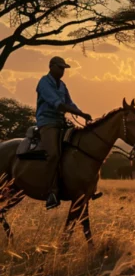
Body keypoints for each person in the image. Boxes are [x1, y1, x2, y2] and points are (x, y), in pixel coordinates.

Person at [36, 56, 92, 210]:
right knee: (53, 154)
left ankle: (83, 186)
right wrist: (77, 113)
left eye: (64, 69)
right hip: (47, 122)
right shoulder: (44, 83)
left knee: (77, 149)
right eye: (60, 68)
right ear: (51, 66)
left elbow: (70, 102)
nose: (62, 71)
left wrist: (81, 113)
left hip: (61, 123)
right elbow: (59, 105)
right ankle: (51, 192)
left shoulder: (62, 85)